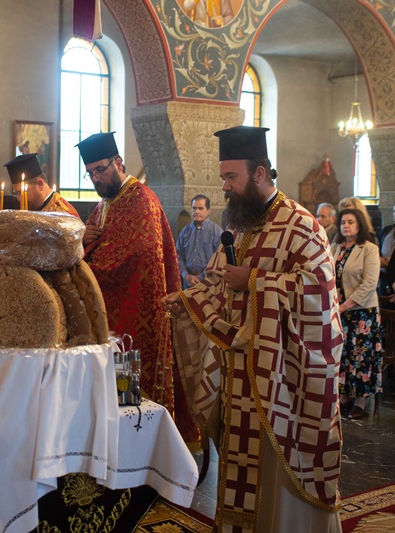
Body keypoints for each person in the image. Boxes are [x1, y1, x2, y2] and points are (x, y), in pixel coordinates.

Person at [162, 126, 342, 532]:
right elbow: (218, 282)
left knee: (277, 483)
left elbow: (320, 294)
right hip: (240, 377)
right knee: (242, 476)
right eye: (223, 177)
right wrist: (189, 301)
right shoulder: (241, 225)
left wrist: (257, 282)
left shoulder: (302, 226)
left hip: (283, 380)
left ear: (259, 173)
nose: (224, 187)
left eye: (231, 177)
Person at [75, 132, 198, 445]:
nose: (95, 178)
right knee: (112, 399)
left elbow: (132, 257)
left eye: (100, 169)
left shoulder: (141, 200)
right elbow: (95, 245)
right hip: (112, 316)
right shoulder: (105, 204)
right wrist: (83, 242)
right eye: (90, 173)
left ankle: (141, 451)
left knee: (130, 399)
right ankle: (116, 447)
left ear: (118, 163)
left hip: (136, 316)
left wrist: (84, 265)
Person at [330, 208, 382, 420]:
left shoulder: (368, 249)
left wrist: (344, 305)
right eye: (343, 222)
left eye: (350, 222)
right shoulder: (335, 247)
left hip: (362, 312)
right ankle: (344, 397)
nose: (346, 226)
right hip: (340, 310)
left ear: (359, 225)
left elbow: (370, 283)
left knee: (360, 357)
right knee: (343, 355)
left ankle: (360, 401)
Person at [3, 153, 79, 217]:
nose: (19, 199)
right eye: (17, 193)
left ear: (40, 184)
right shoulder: (36, 207)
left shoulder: (63, 214)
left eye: (22, 192)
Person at [176, 194, 222, 288]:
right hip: (188, 281)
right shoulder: (185, 231)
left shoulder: (217, 232)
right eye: (194, 208)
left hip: (209, 281)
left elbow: (219, 258)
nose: (196, 211)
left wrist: (202, 276)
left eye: (200, 208)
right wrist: (186, 275)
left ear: (208, 211)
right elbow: (178, 254)